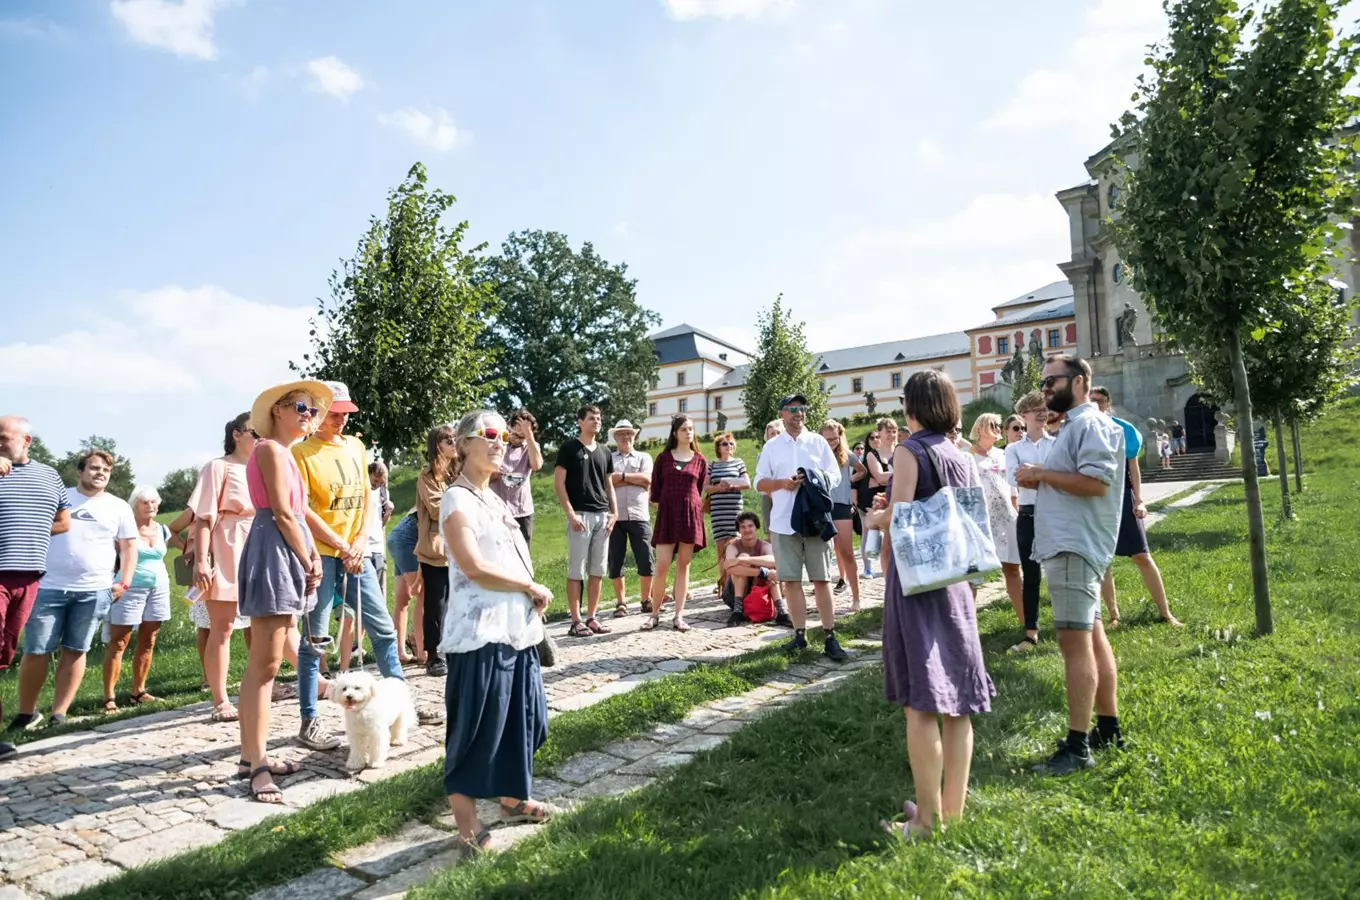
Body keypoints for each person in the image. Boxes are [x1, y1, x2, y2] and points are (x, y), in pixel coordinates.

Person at [867, 370, 994, 838]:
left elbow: (899, 517)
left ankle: (924, 820)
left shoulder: (909, 449)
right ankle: (950, 813)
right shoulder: (958, 454)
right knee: (958, 704)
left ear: (912, 406)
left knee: (920, 703)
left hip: (918, 581)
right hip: (957, 581)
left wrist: (874, 517)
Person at [437, 410, 561, 855]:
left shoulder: (494, 498)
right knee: (476, 732)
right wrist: (528, 585)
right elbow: (472, 566)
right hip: (479, 632)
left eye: (502, 435)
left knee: (528, 722)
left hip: (517, 629)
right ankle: (468, 828)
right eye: (487, 434)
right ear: (464, 444)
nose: (497, 441)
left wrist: (528, 595)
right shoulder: (457, 499)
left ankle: (510, 797)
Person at [1015, 354, 1126, 775]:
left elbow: (1097, 482)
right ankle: (1108, 728)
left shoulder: (1090, 423)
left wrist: (1041, 474)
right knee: (1093, 637)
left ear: (1078, 382)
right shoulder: (1077, 425)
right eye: (1043, 384)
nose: (1045, 391)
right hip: (1071, 545)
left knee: (1073, 644)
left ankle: (1078, 746)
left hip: (1075, 546)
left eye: (1050, 383)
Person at [292, 382, 413, 751]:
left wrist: (359, 541)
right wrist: (342, 545)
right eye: (334, 412)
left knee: (383, 629)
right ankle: (309, 719)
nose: (342, 419)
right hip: (323, 554)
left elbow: (365, 499)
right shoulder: (301, 453)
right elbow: (303, 509)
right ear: (315, 412)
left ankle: (400, 704)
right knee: (315, 639)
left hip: (355, 552)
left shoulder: (357, 447)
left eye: (346, 412)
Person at [236, 380, 329, 803]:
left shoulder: (285, 454)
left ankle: (250, 756)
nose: (308, 414)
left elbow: (299, 513)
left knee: (273, 660)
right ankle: (256, 765)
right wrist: (310, 558)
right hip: (274, 547)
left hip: (285, 548)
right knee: (266, 664)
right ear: (277, 410)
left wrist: (310, 556)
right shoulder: (270, 450)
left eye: (312, 409)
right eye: (300, 407)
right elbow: (284, 512)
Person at [9, 449, 136, 732]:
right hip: (48, 586)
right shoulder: (60, 496)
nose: (100, 473)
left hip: (95, 589)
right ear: (79, 472)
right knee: (36, 649)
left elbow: (128, 548)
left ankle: (59, 713)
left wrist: (124, 581)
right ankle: (26, 713)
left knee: (76, 650)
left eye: (105, 470)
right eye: (93, 468)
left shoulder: (119, 507)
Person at [754, 394, 848, 661]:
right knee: (791, 581)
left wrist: (813, 478)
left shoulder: (817, 442)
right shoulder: (772, 447)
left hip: (815, 520)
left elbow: (834, 475)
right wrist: (782, 483)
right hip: (784, 522)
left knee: (822, 579)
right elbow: (758, 482)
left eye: (802, 409)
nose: (799, 413)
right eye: (793, 409)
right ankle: (800, 635)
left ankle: (830, 636)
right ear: (782, 414)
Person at [0, 416, 70, 760]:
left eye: (3, 437)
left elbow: (63, 519)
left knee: (4, 656)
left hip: (29, 577)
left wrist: (31, 532)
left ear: (26, 441)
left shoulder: (49, 475)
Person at [187, 413, 259, 721]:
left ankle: (259, 686)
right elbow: (204, 518)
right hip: (228, 545)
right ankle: (220, 699)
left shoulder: (262, 469)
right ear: (237, 435)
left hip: (260, 544)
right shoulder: (218, 467)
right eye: (254, 432)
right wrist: (202, 560)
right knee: (223, 627)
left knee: (264, 624)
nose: (259, 438)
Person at [1090, 387, 1182, 628]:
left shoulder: (1124, 430)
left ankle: (1166, 613)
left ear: (1108, 404)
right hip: (1096, 500)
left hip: (1123, 496)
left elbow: (1133, 468)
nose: (1094, 404)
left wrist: (1139, 500)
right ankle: (1114, 616)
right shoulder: (1083, 431)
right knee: (1103, 561)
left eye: (1098, 400)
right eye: (1090, 401)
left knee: (1142, 555)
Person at [99, 485, 172, 711]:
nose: (150, 506)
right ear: (135, 506)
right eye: (145, 503)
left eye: (153, 502)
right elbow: (109, 557)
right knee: (119, 642)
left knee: (148, 640)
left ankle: (138, 691)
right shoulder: (125, 529)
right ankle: (109, 698)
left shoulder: (163, 530)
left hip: (158, 588)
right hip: (129, 588)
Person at [554, 405, 618, 638]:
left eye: (599, 418)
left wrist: (615, 513)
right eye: (591, 418)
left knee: (597, 570)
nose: (596, 421)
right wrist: (571, 514)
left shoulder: (605, 451)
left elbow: (608, 485)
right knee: (576, 570)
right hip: (580, 515)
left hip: (603, 515)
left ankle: (592, 617)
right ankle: (575, 620)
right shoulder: (569, 449)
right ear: (580, 422)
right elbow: (559, 484)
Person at [644, 415, 707, 633]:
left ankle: (679, 615)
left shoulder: (700, 460)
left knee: (683, 565)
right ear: (674, 433)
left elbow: (698, 490)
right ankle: (654, 614)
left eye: (690, 429)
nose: (688, 433)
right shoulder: (663, 458)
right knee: (662, 565)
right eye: (683, 429)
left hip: (690, 516)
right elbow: (656, 491)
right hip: (668, 515)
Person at [1005, 390, 1053, 653]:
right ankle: (1031, 632)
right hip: (1028, 514)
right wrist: (1049, 476)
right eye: (1037, 409)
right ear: (1024, 415)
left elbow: (1063, 478)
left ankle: (1071, 626)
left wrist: (1035, 475)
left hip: (1055, 514)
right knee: (1031, 575)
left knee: (1061, 571)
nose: (1043, 413)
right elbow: (1015, 479)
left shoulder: (1055, 444)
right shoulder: (1013, 449)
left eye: (1044, 408)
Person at [968, 414, 1023, 620]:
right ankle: (968, 631)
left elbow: (1012, 488)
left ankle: (1026, 623)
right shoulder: (969, 456)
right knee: (973, 578)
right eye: (993, 425)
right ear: (980, 428)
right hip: (980, 521)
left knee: (1013, 570)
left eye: (999, 425)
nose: (998, 428)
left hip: (1007, 518)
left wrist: (1015, 510)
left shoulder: (1004, 454)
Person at [416, 423, 457, 678]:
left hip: (459, 549)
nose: (453, 443)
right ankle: (433, 655)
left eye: (454, 438)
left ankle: (453, 648)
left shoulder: (459, 472)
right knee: (436, 604)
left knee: (457, 602)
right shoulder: (427, 476)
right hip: (435, 550)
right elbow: (436, 509)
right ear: (436, 446)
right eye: (447, 440)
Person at [607, 420, 653, 617]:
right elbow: (606, 480)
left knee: (645, 558)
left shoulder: (644, 457)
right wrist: (633, 477)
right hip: (613, 516)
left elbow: (647, 480)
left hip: (639, 514)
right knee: (615, 560)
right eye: (622, 434)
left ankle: (646, 599)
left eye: (629, 434)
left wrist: (621, 476)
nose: (626, 437)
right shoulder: (608, 457)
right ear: (615, 437)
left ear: (634, 437)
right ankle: (621, 602)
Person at [819, 420, 864, 611]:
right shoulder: (816, 454)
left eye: (835, 439)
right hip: (821, 506)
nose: (831, 443)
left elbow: (862, 471)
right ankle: (826, 601)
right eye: (827, 439)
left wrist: (848, 481)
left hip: (841, 505)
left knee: (846, 551)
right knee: (822, 555)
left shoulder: (846, 454)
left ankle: (856, 597)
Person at [705, 431, 750, 597]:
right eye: (725, 444)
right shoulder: (713, 465)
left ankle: (735, 582)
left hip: (734, 509)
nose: (728, 446)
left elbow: (747, 483)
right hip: (718, 511)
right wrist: (719, 488)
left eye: (731, 444)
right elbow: (706, 487)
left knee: (735, 545)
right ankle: (723, 583)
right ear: (718, 447)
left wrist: (731, 486)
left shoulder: (738, 463)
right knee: (720, 547)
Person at [490, 409, 543, 547]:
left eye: (522, 437)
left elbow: (536, 465)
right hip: (496, 508)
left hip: (521, 510)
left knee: (523, 552)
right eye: (515, 434)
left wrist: (529, 436)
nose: (518, 439)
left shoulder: (532, 446)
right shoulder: (498, 444)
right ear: (509, 427)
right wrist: (498, 475)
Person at [724, 511, 778, 625]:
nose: (747, 530)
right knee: (743, 563)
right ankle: (737, 611)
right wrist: (762, 573)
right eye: (743, 527)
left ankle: (782, 611)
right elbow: (728, 567)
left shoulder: (765, 546)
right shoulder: (733, 546)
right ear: (738, 530)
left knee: (772, 571)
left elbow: (774, 561)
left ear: (756, 527)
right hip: (734, 594)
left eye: (750, 526)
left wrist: (742, 560)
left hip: (760, 592)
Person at [387, 508, 424, 665]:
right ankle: (423, 651)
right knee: (424, 594)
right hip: (410, 536)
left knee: (403, 598)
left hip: (399, 534)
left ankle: (399, 653)